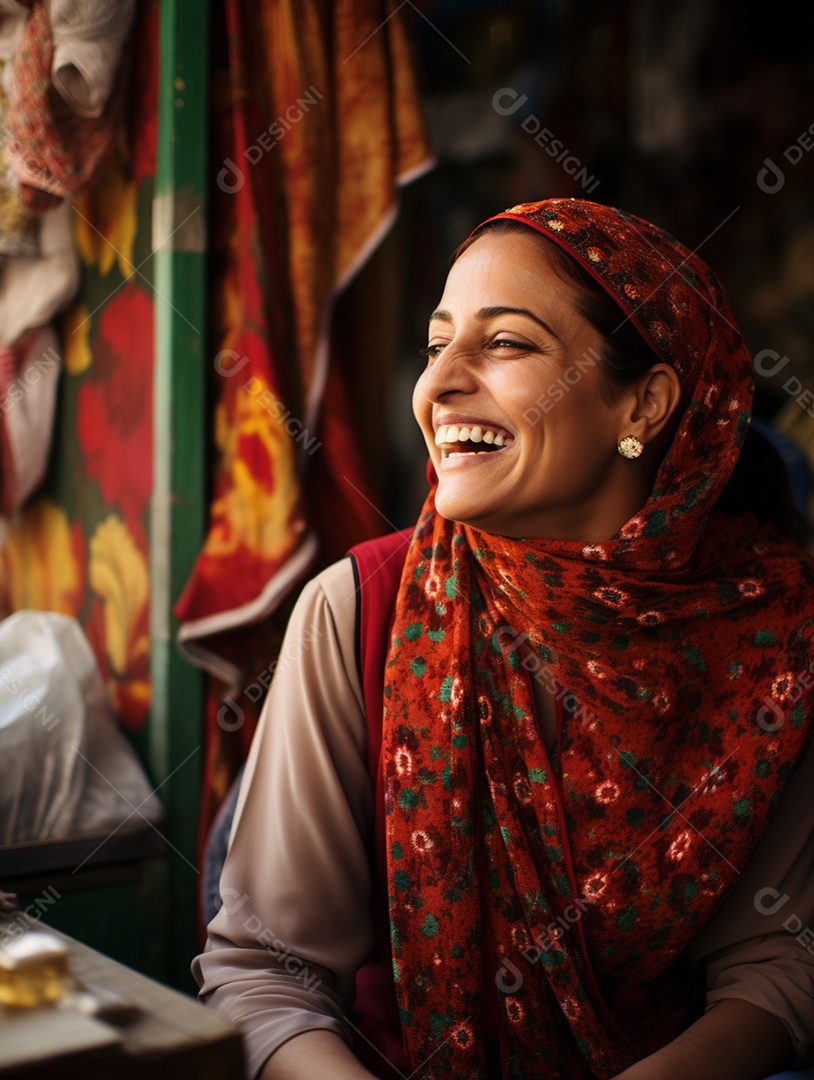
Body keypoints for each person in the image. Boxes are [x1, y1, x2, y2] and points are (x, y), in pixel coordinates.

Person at [192, 198, 814, 1080]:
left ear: (644, 402)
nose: (438, 386)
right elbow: (267, 974)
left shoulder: (776, 640)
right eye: (437, 343)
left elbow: (781, 962)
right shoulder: (358, 611)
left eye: (507, 343)